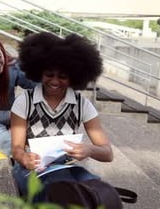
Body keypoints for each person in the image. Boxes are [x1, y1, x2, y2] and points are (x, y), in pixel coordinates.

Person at [10, 32, 114, 200]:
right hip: (30, 168)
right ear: (38, 72)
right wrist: (25, 158)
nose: (55, 81)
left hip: (66, 167)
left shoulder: (82, 104)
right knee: (62, 192)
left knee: (99, 191)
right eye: (49, 74)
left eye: (62, 76)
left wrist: (89, 149)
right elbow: (16, 149)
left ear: (73, 77)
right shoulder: (25, 102)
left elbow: (107, 153)